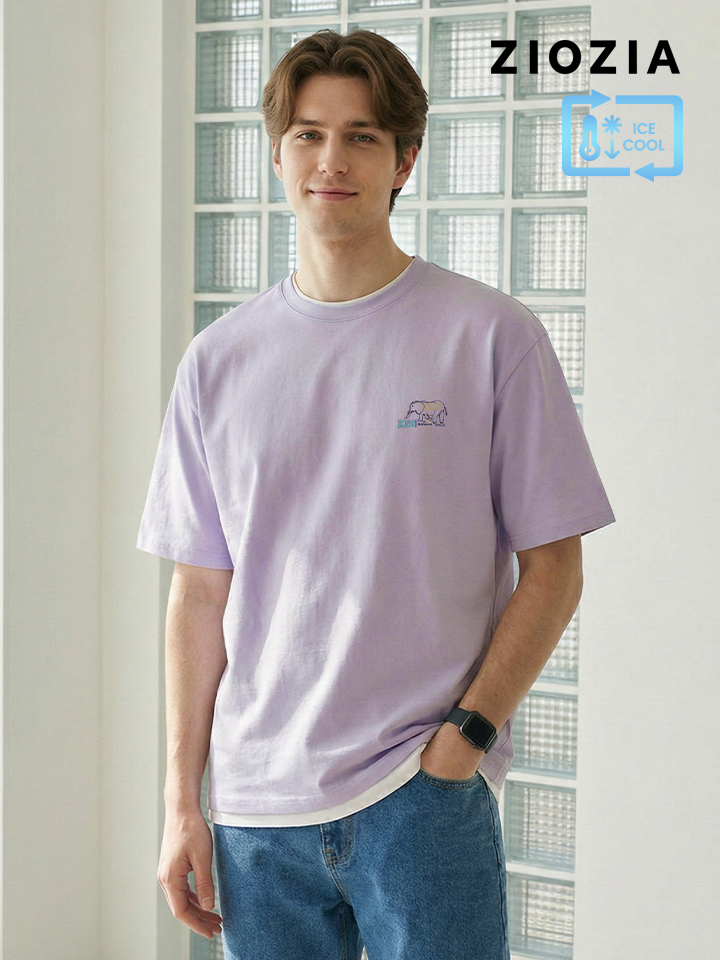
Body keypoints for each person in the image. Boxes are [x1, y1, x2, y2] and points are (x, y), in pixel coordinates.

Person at [137, 29, 615, 960]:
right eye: (309, 134)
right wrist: (180, 802)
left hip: (420, 793)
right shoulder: (217, 362)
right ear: (277, 154)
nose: (332, 160)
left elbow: (555, 565)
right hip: (254, 810)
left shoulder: (490, 336)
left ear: (405, 159)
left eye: (361, 136)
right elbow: (198, 594)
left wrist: (464, 742)